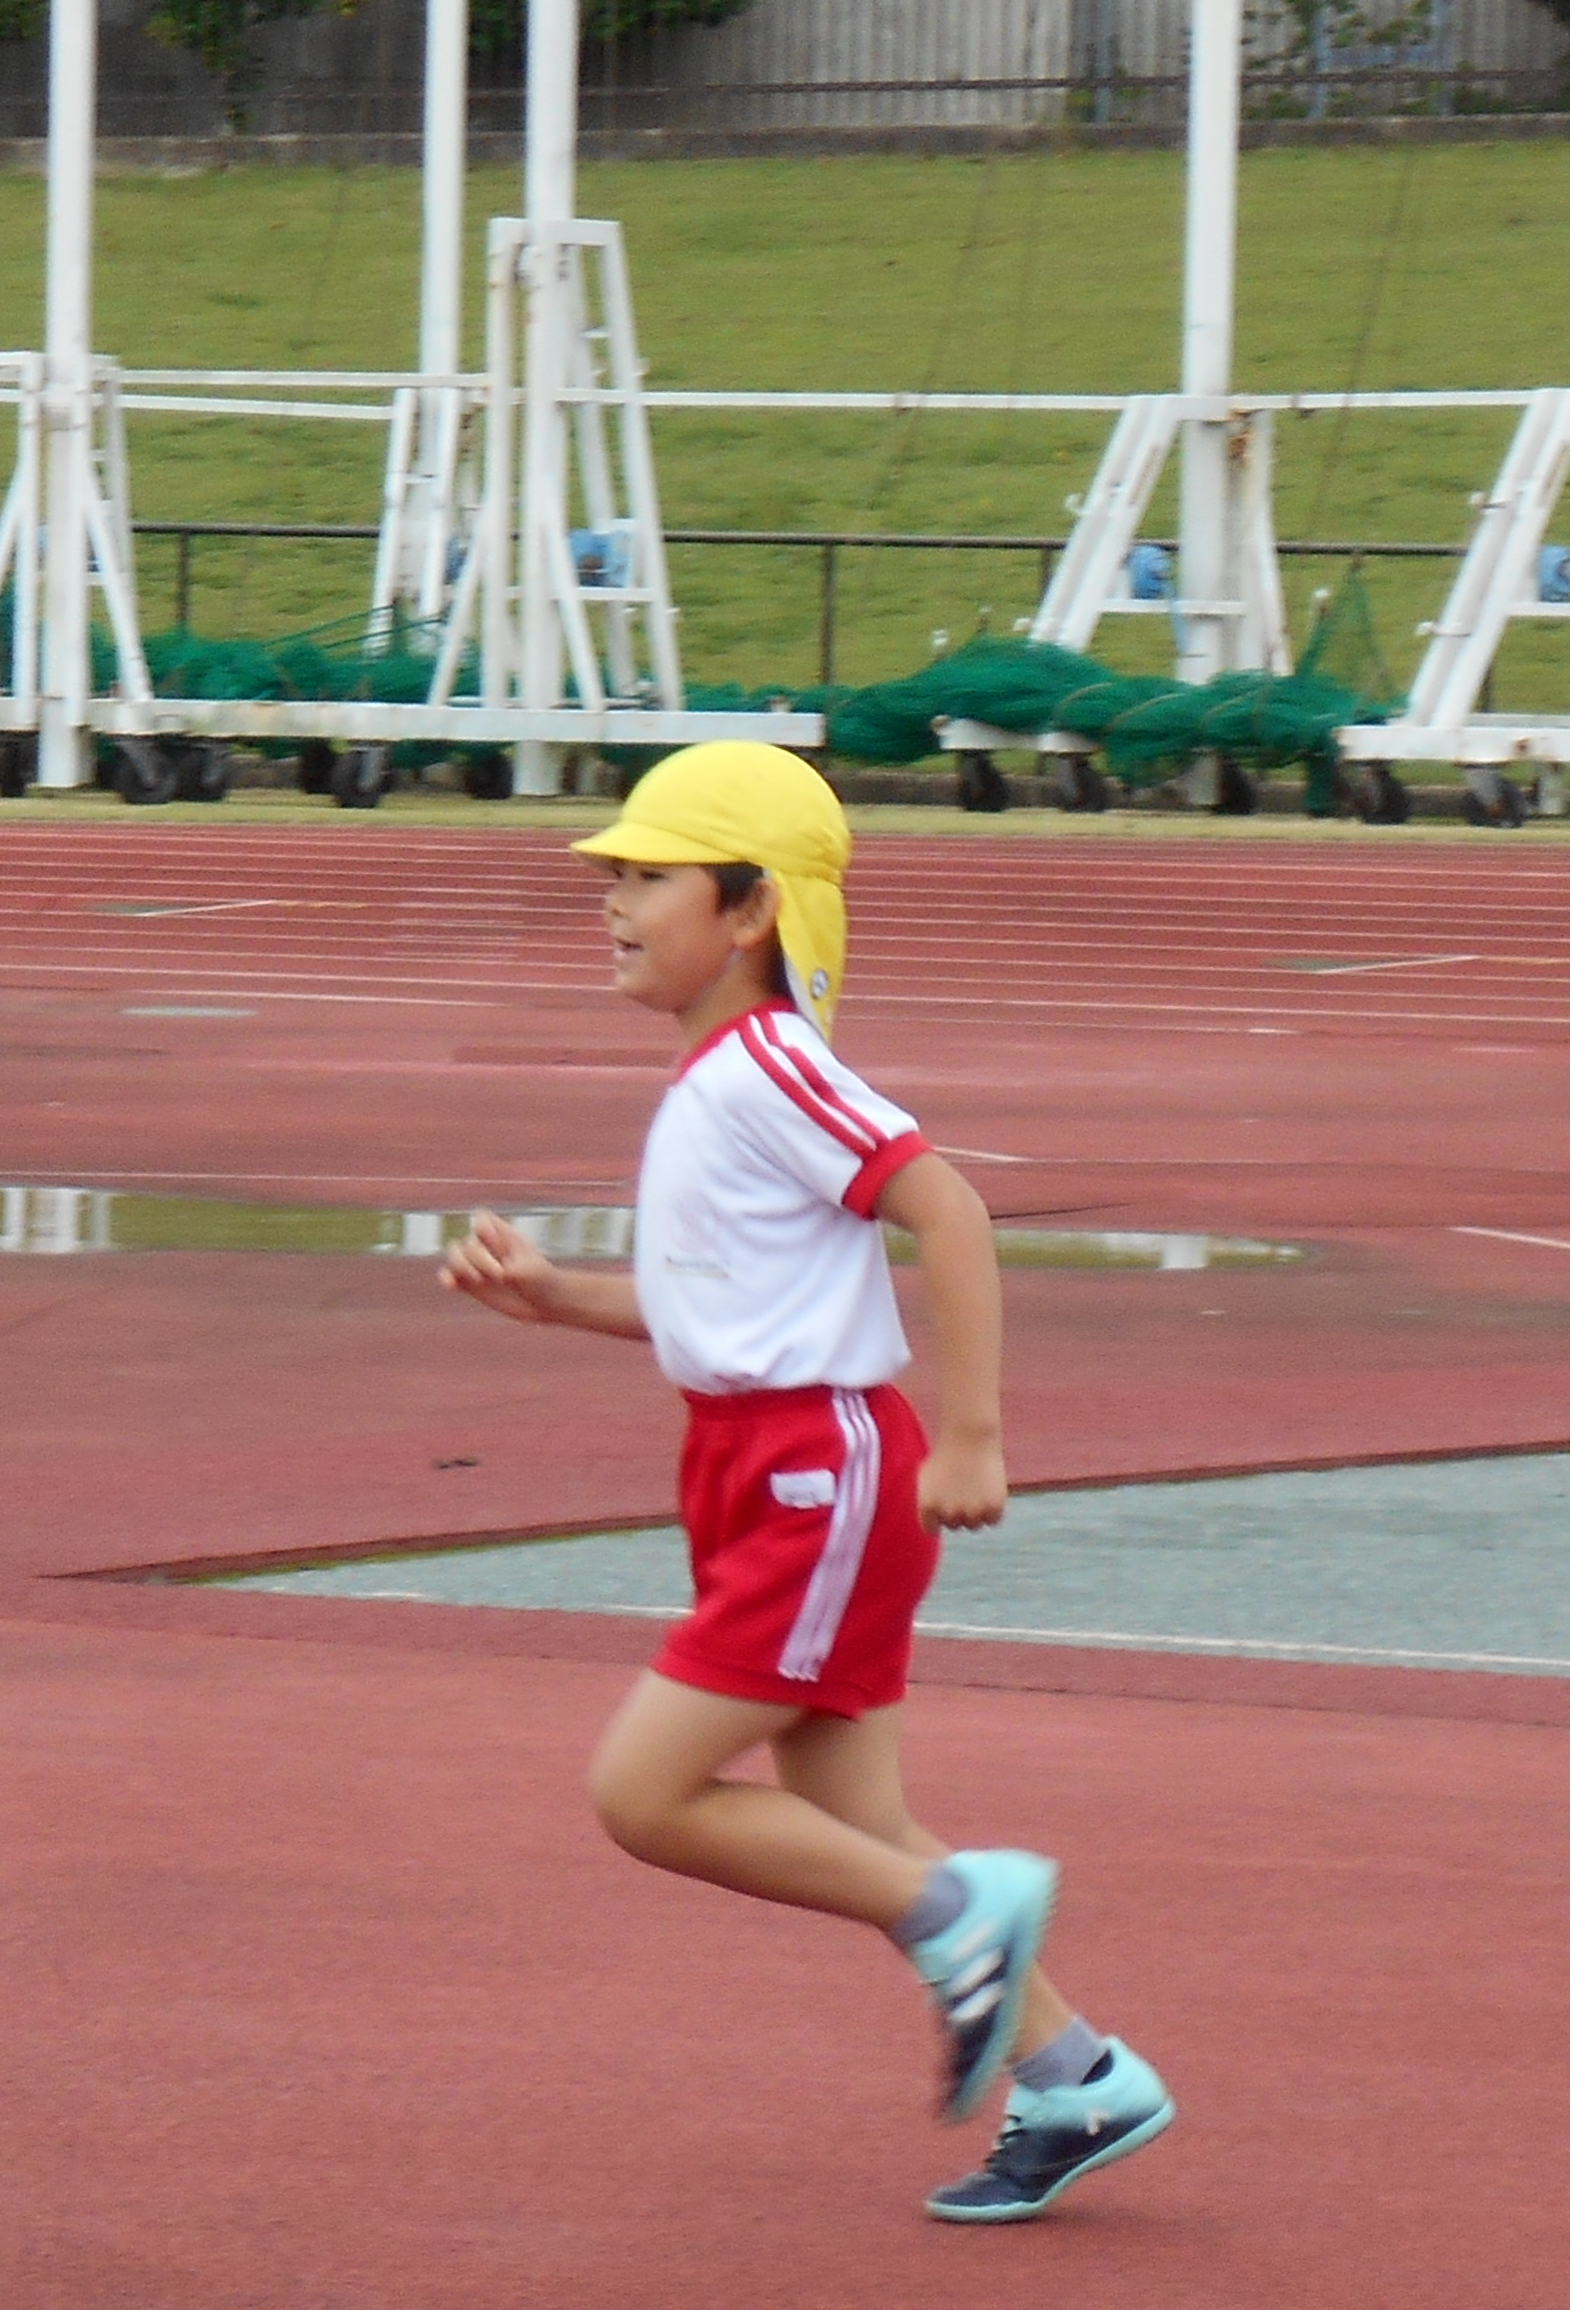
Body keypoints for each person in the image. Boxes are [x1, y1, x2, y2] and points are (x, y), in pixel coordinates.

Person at [435, 742, 1173, 2223]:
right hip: (753, 1459)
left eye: (649, 878)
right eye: (614, 878)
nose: (615, 903)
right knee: (856, 1815)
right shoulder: (722, 1079)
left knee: (645, 1795)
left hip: (814, 1469)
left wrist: (974, 1433)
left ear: (753, 907)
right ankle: (1080, 2078)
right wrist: (556, 1299)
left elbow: (944, 1207)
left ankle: (960, 1921)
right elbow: (727, 1308)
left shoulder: (771, 1064)